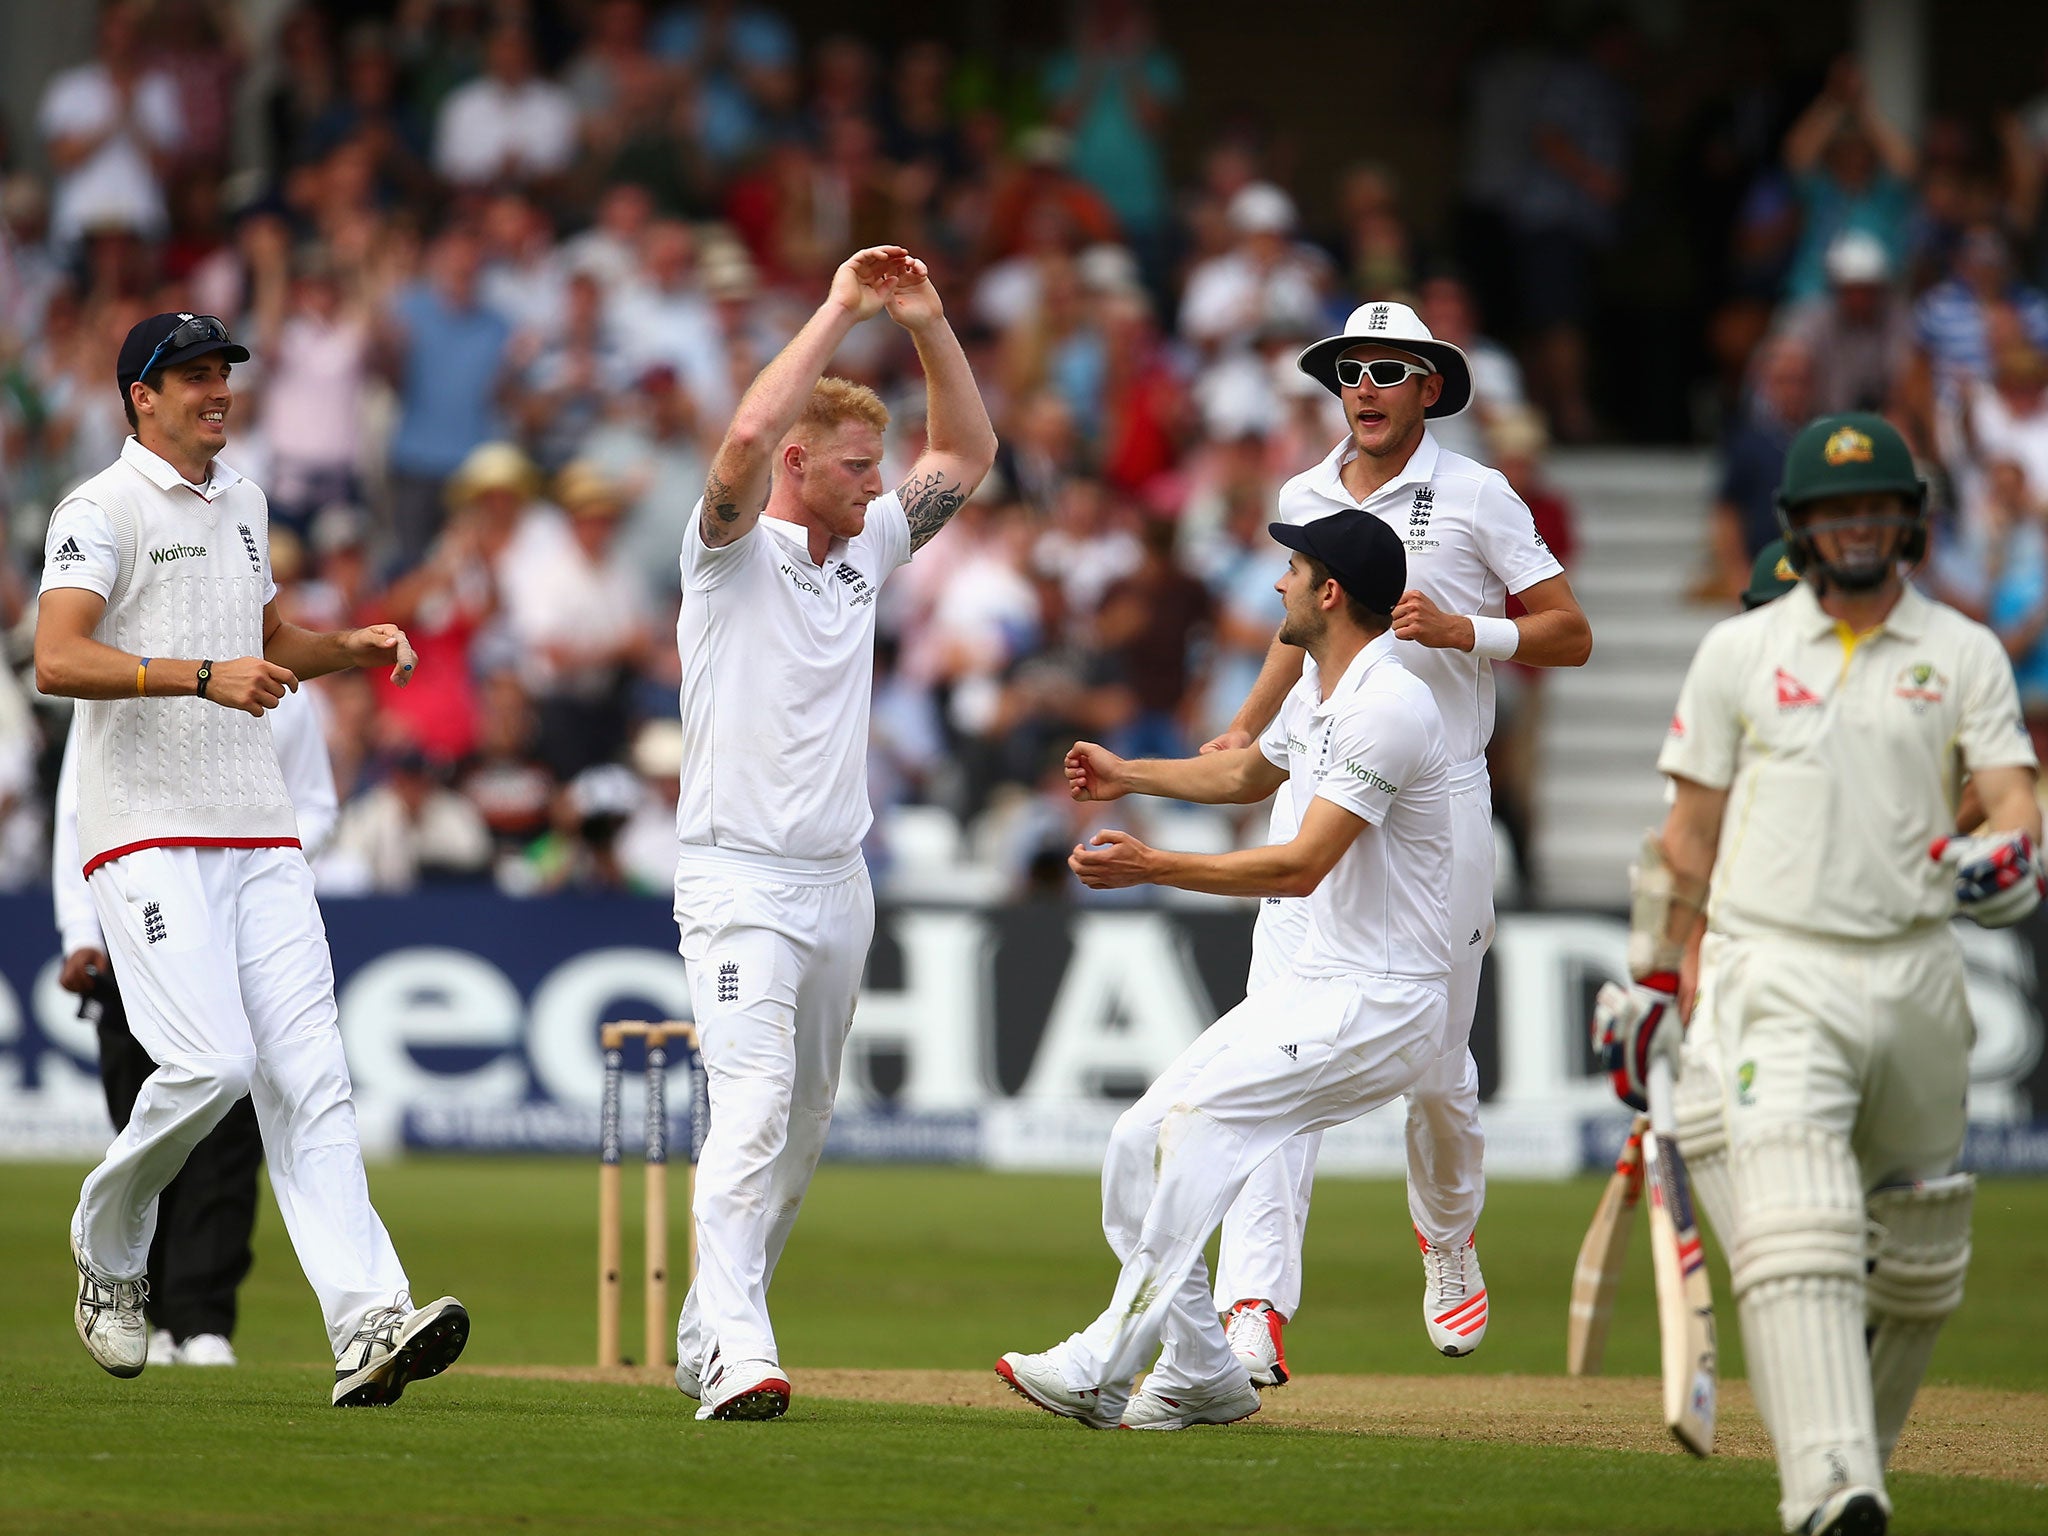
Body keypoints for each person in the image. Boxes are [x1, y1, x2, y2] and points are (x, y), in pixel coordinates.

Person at [1598, 413, 2040, 1536]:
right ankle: (1829, 1492)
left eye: (1875, 508)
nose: (1856, 526)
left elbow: (2010, 801)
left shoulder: (1962, 652)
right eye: (1835, 510)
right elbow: (1684, 840)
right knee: (1799, 1228)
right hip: (1775, 967)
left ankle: (1848, 1463)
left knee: (1919, 1257)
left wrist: (2011, 855)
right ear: (1798, 528)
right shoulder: (1738, 653)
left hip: (1914, 971)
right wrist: (1652, 978)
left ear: (1908, 524)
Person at [36, 311, 469, 1406]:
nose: (215, 388)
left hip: (258, 827)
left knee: (310, 1079)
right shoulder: (100, 506)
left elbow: (266, 647)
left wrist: (349, 646)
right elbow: (58, 655)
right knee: (211, 1067)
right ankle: (108, 1243)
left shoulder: (245, 500)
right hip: (143, 829)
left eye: (222, 370)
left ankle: (367, 1318)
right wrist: (196, 675)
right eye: (190, 375)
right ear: (141, 395)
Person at [1200, 301, 1591, 1382]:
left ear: (1427, 385)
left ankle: (1449, 1237)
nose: (1363, 386)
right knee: (1272, 1048)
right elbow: (1301, 622)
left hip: (1437, 806)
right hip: (1322, 778)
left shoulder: (1477, 494)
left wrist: (1466, 629)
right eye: (1349, 371)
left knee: (1435, 1071)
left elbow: (1570, 632)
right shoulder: (1303, 494)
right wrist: (1250, 722)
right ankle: (1250, 1310)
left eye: (1386, 369)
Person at [995, 508, 1453, 1429]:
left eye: (1292, 569)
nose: (1277, 584)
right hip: (1323, 984)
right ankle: (1205, 1369)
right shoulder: (1324, 694)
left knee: (1199, 1130)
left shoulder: (1392, 706)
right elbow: (1247, 778)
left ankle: (1104, 1359)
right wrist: (1130, 774)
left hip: (1386, 1000)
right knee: (1137, 1139)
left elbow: (1299, 864)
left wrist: (1153, 867)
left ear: (1331, 593)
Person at [669, 247, 996, 1421]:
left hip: (835, 881)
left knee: (800, 1134)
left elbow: (965, 454)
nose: (876, 485)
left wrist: (925, 320)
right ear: (800, 466)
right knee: (750, 1104)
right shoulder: (724, 551)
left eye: (876, 470)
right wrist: (837, 307)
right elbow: (747, 439)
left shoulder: (870, 544)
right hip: (735, 877)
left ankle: (710, 1320)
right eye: (856, 468)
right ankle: (741, 1357)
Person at [51, 682, 338, 1368]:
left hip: (237, 934)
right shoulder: (124, 672)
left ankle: (204, 1318)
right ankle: (139, 1299)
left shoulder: (285, 694)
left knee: (232, 1125)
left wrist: (262, 862)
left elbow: (316, 804)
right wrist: (77, 931)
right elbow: (76, 805)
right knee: (147, 1108)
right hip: (136, 920)